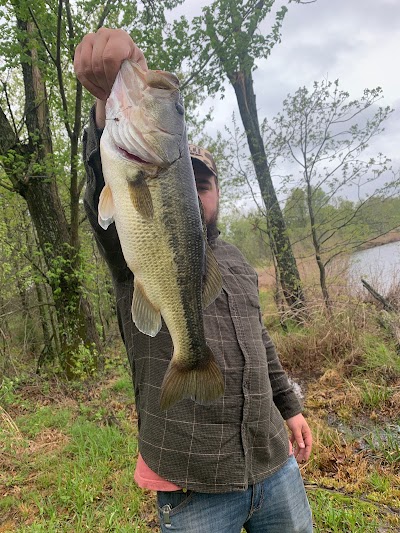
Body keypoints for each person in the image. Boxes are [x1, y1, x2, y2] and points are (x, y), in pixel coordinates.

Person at [75, 27, 313, 533]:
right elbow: (107, 180)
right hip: (191, 483)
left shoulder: (236, 261)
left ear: (217, 194)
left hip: (275, 464)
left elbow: (261, 340)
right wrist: (103, 112)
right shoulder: (131, 251)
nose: (198, 192)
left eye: (205, 184)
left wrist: (289, 407)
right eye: (191, 180)